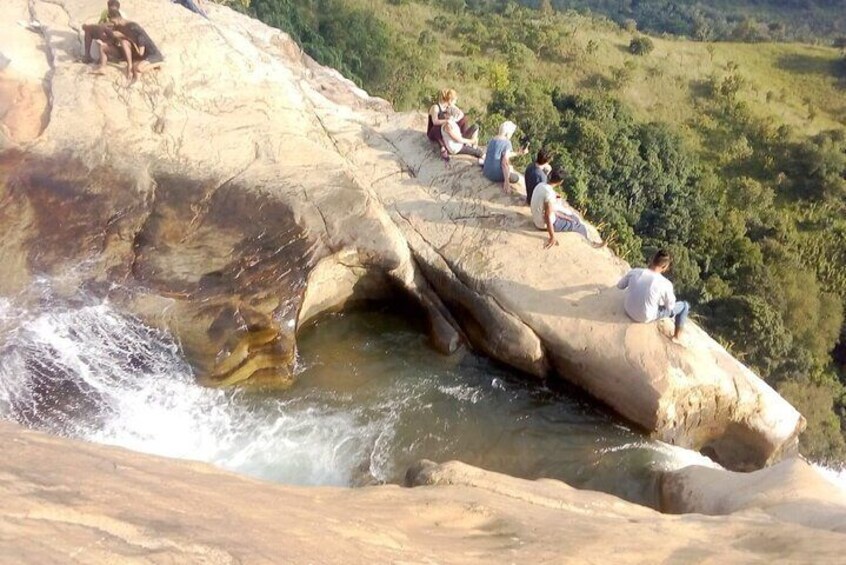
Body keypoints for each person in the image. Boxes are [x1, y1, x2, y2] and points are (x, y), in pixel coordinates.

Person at [616, 249, 690, 344]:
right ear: (665, 266)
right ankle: (676, 337)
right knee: (685, 306)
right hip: (644, 317)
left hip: (627, 308)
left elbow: (620, 286)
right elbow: (670, 307)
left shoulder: (635, 271)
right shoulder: (665, 284)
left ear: (652, 260)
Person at [531, 169, 604, 249]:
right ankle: (590, 244)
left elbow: (546, 209)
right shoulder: (549, 194)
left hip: (537, 219)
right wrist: (552, 237)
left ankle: (588, 240)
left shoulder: (541, 185)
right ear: (560, 182)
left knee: (573, 218)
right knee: (580, 227)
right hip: (542, 223)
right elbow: (547, 216)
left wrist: (563, 216)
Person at [107, 12, 165, 81]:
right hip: (145, 55)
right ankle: (137, 78)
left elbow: (140, 53)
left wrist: (125, 37)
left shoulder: (140, 36)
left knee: (139, 68)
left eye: (113, 21)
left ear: (118, 19)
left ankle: (160, 63)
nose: (112, 23)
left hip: (153, 55)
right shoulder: (123, 27)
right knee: (136, 67)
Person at [427, 89, 478, 161]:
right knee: (438, 127)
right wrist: (448, 121)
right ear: (450, 100)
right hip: (434, 131)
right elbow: (435, 121)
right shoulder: (436, 107)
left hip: (445, 130)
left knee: (464, 119)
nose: (455, 102)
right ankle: (442, 147)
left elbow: (461, 114)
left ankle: (464, 137)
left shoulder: (448, 107)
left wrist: (454, 119)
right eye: (454, 100)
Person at [482, 120, 526, 193]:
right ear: (508, 133)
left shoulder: (493, 139)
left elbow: (502, 154)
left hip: (486, 171)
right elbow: (504, 163)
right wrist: (507, 182)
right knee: (516, 178)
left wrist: (519, 153)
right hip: (494, 175)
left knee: (510, 168)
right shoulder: (507, 143)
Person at [81, 0, 123, 64]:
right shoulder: (105, 12)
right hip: (104, 32)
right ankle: (87, 56)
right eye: (109, 8)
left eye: (112, 9)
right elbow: (100, 23)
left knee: (100, 28)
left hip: (114, 35)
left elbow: (118, 27)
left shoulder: (121, 15)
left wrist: (104, 26)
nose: (110, 11)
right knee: (89, 31)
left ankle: (105, 56)